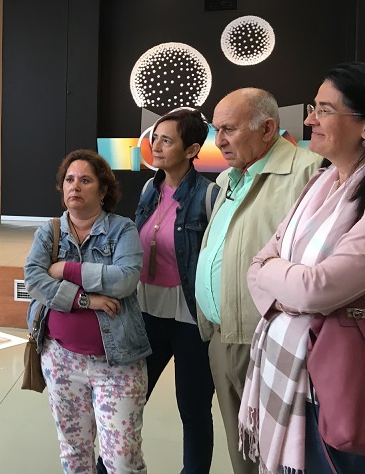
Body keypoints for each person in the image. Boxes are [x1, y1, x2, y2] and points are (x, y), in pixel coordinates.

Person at [239, 63, 365, 474]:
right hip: (296, 379)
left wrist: (284, 283)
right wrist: (291, 288)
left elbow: (317, 288)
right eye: (314, 108)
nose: (310, 120)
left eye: (324, 110)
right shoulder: (319, 184)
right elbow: (257, 263)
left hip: (338, 385)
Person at [194, 88, 322, 474]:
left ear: (267, 129)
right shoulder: (228, 179)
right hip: (221, 337)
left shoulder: (310, 173)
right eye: (216, 130)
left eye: (229, 130)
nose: (219, 141)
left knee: (278, 457)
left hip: (269, 341)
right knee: (243, 455)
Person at [25, 149, 150, 474]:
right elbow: (34, 279)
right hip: (60, 360)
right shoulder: (49, 231)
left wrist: (66, 269)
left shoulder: (122, 230)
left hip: (117, 364)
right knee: (74, 453)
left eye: (85, 180)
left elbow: (125, 280)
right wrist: (85, 300)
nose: (75, 186)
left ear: (103, 190)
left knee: (122, 460)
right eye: (69, 180)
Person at [135, 108, 219, 474]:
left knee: (193, 408)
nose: (155, 145)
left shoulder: (209, 196)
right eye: (155, 138)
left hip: (189, 317)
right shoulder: (148, 190)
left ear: (191, 149)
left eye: (166, 140)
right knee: (128, 400)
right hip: (146, 311)